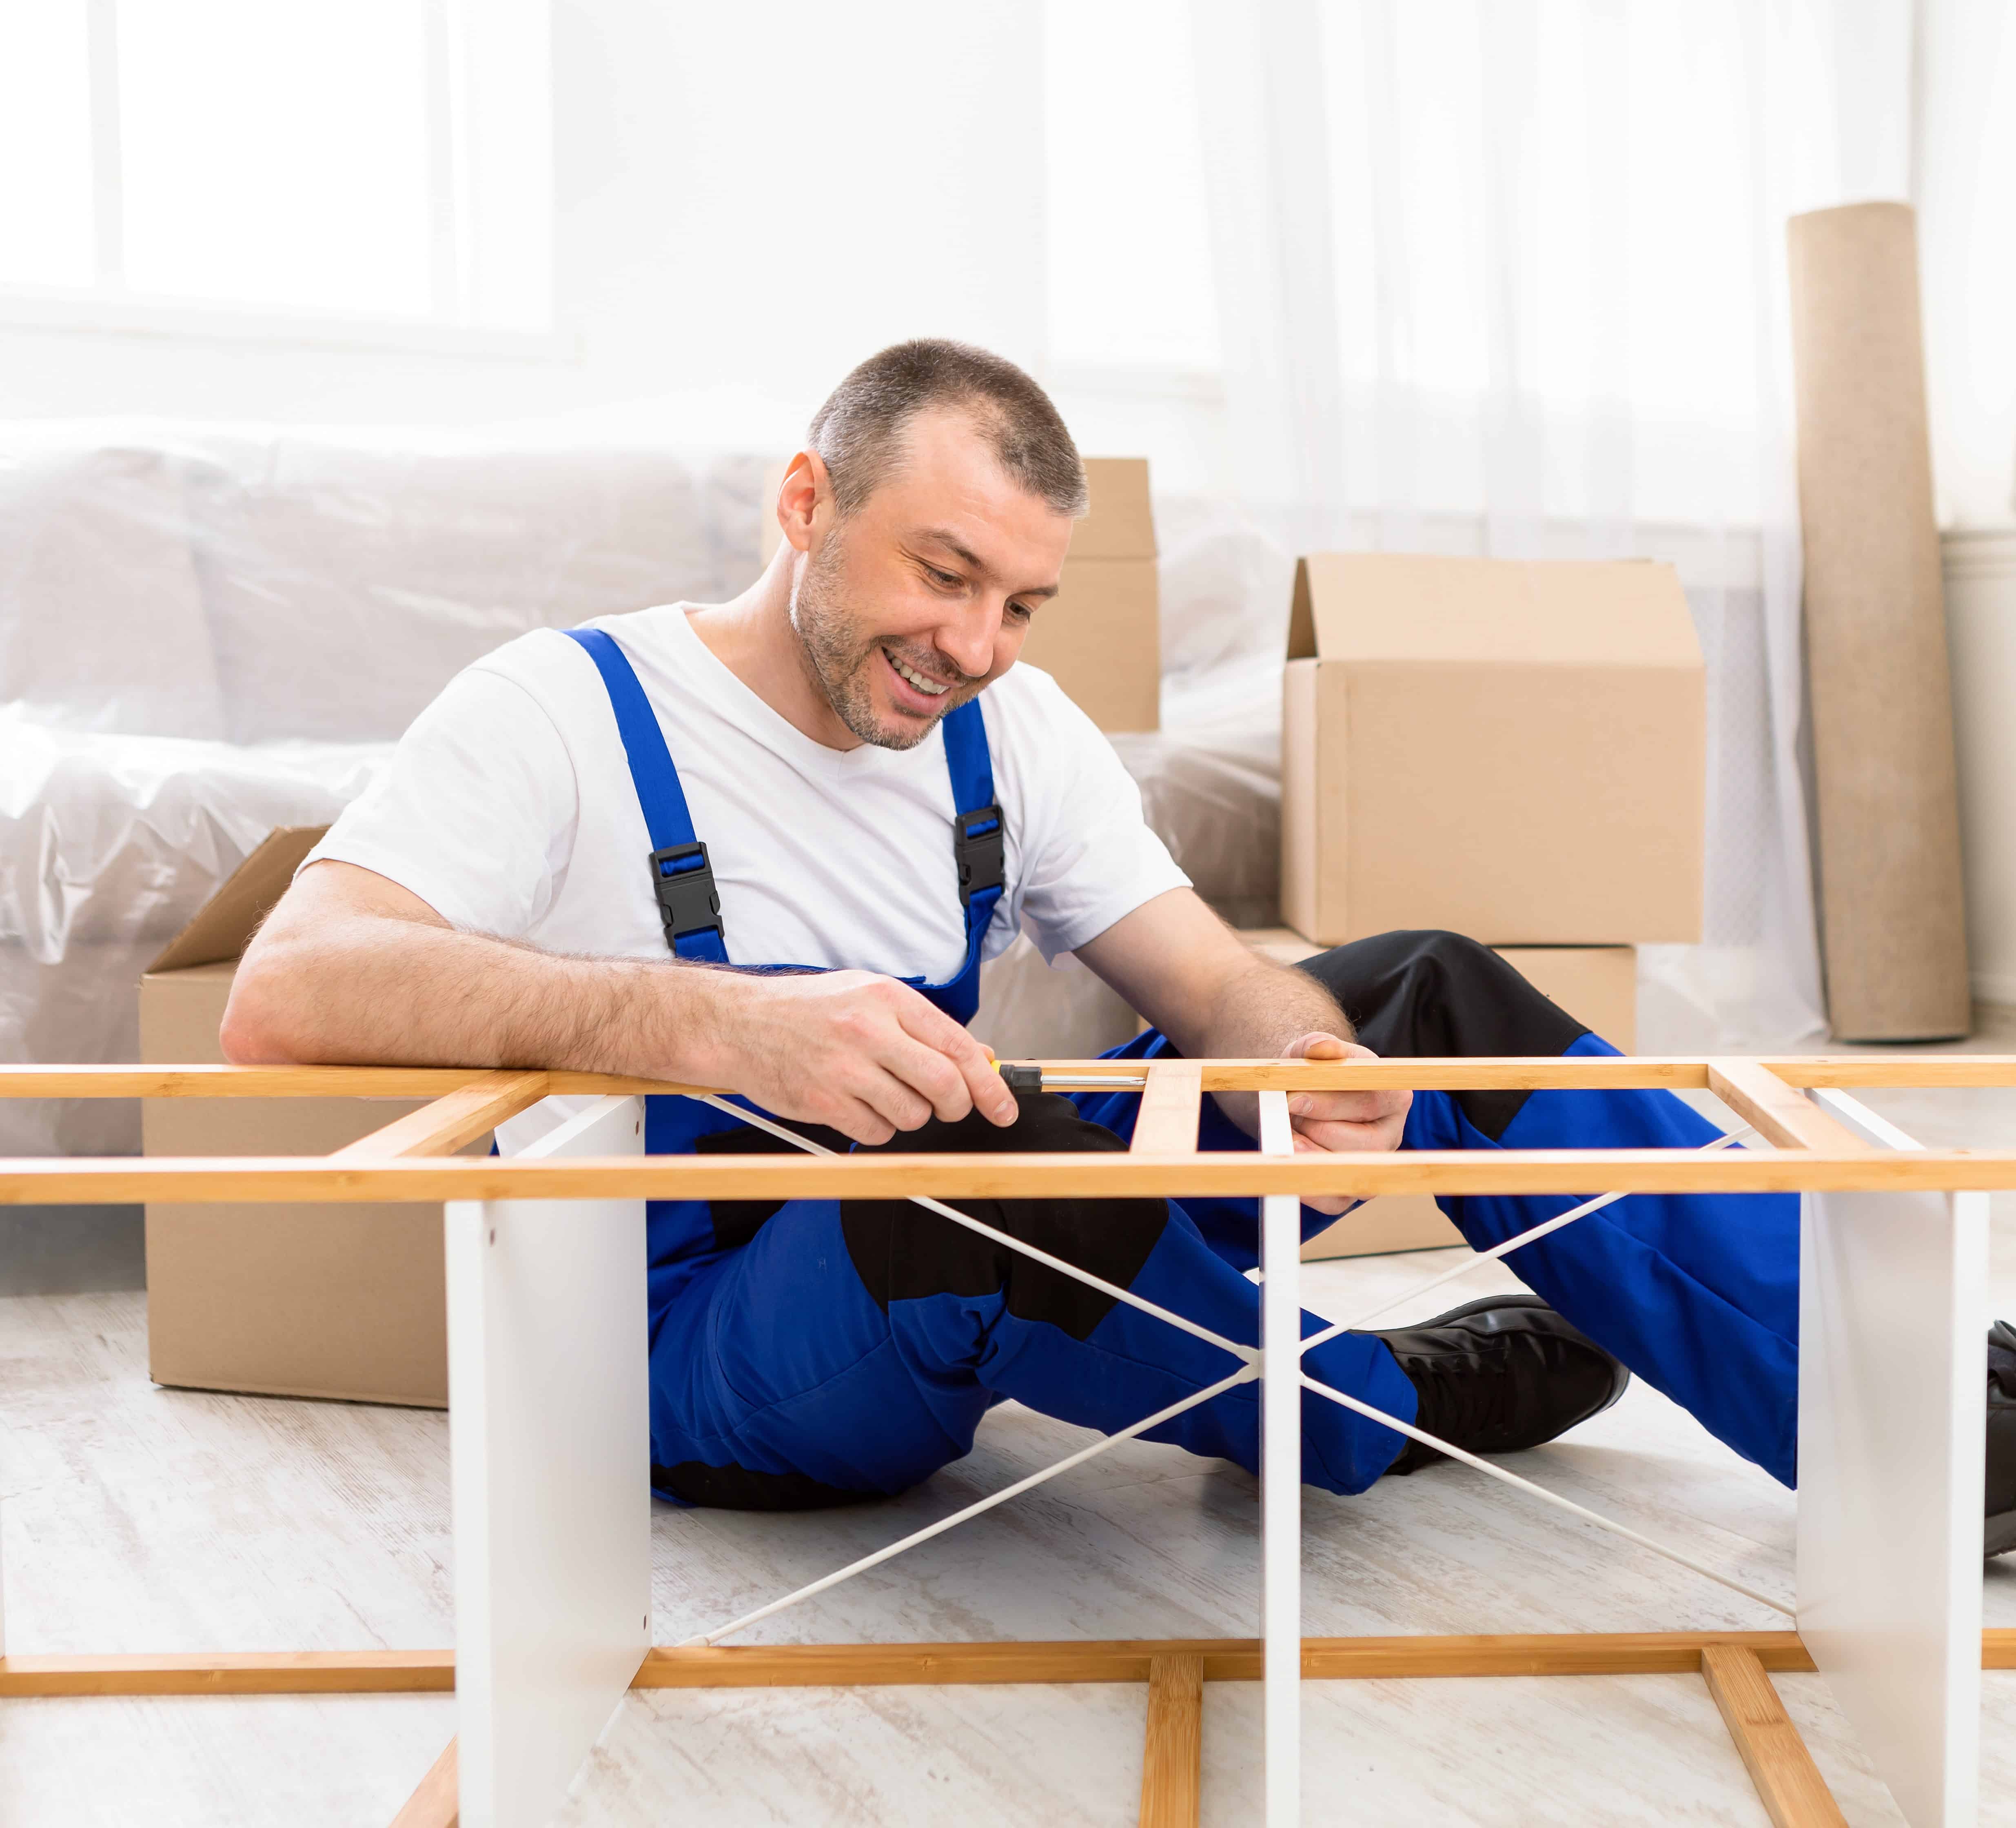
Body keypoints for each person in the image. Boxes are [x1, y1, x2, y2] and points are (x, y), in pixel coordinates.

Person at [223, 339, 2012, 1551]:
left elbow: (1209, 978)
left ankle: (1924, 1424)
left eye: (1019, 601)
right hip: (700, 1344)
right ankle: (1384, 1398)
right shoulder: (561, 709)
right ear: (803, 506)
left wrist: (1301, 1050)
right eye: (941, 575)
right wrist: (718, 1028)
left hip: (985, 1201)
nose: (978, 645)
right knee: (1004, 1164)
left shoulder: (1014, 728)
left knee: (1421, 995)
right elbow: (288, 993)